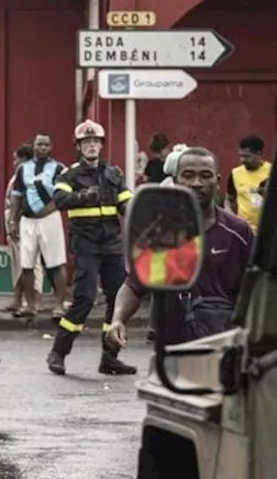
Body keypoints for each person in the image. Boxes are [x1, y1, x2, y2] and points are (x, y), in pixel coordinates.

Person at [108, 147, 253, 348]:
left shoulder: (239, 231)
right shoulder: (159, 233)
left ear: (217, 182)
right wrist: (118, 320)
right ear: (175, 181)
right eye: (188, 175)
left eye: (205, 176)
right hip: (170, 351)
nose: (197, 183)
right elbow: (133, 285)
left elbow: (257, 289)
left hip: (225, 350)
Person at [46, 119, 138, 376]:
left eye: (95, 141)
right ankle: (58, 352)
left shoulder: (113, 174)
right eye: (86, 142)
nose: (91, 146)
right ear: (78, 146)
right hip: (85, 244)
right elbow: (59, 199)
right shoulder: (70, 174)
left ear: (101, 145)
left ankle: (110, 358)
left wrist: (141, 212)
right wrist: (84, 196)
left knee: (118, 300)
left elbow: (126, 203)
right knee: (84, 299)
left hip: (111, 244)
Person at [8, 133, 70, 319]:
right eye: (39, 144)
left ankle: (59, 304)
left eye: (46, 144)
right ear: (33, 146)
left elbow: (64, 194)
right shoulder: (23, 169)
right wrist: (13, 220)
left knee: (56, 262)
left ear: (50, 147)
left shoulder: (59, 168)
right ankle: (30, 305)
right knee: (26, 264)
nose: (42, 148)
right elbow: (16, 195)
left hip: (50, 218)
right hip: (27, 220)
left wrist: (51, 208)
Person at [3, 143, 36, 315]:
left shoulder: (26, 176)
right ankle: (18, 298)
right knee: (18, 264)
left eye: (16, 158)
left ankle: (30, 300)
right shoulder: (19, 175)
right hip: (15, 223)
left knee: (26, 263)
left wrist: (13, 222)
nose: (14, 162)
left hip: (21, 224)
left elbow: (20, 201)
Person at [226, 134, 269, 230]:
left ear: (259, 153)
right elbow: (229, 199)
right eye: (241, 156)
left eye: (247, 156)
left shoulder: (272, 173)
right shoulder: (235, 174)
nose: (242, 160)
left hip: (268, 232)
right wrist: (229, 214)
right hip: (244, 231)